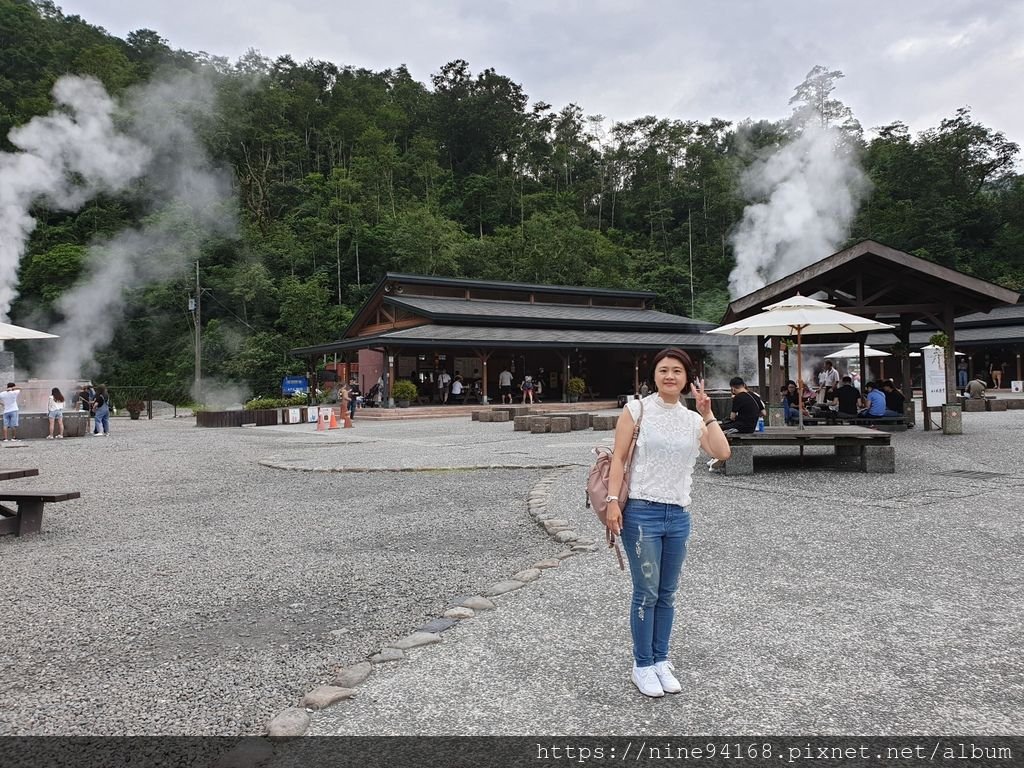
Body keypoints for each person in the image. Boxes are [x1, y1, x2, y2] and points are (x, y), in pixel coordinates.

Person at [605, 347, 731, 698]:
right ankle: (642, 665)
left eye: (677, 371)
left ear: (688, 378)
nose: (670, 376)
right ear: (654, 376)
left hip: (678, 513)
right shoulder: (638, 410)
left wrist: (707, 414)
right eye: (664, 370)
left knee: (668, 593)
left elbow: (722, 453)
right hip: (642, 512)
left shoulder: (692, 420)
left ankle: (661, 659)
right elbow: (619, 459)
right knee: (646, 592)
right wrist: (614, 502)